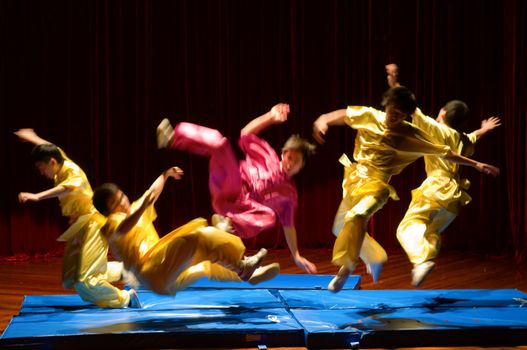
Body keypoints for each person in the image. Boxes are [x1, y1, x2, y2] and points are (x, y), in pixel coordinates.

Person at [312, 86, 500, 292]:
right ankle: (375, 257)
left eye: (400, 116)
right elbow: (346, 114)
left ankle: (345, 271)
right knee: (340, 228)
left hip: (377, 187)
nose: (394, 118)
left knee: (359, 215)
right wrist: (324, 119)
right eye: (393, 112)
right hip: (352, 180)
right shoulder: (369, 115)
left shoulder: (411, 133)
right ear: (386, 105)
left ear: (406, 116)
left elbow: (446, 152)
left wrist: (476, 165)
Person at [156, 103, 318, 274]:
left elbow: (288, 226)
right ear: (283, 153)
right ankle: (173, 137)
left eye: (296, 161)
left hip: (241, 212)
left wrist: (297, 256)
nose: (291, 163)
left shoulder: (289, 194)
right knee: (220, 143)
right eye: (290, 157)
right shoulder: (267, 154)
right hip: (230, 186)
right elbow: (246, 134)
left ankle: (227, 225)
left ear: (302, 166)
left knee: (269, 216)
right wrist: (269, 117)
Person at [385, 64, 502, 286]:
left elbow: (409, 106)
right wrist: (484, 130)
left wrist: (394, 81)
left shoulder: (434, 128)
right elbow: (472, 137)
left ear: (443, 113)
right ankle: (425, 258)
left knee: (407, 227)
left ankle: (421, 261)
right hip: (453, 199)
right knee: (430, 233)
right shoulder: (460, 138)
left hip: (436, 188)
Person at [92, 166, 280, 295]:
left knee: (207, 261)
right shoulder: (110, 225)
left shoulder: (134, 208)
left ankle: (248, 274)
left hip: (168, 272)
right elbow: (124, 229)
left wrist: (166, 174)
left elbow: (152, 192)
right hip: (151, 272)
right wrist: (141, 209)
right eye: (116, 203)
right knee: (199, 237)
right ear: (108, 211)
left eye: (122, 196)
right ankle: (240, 264)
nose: (123, 202)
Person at [15, 129, 138, 308]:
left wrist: (37, 196)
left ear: (51, 162)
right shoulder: (60, 160)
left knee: (85, 282)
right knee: (71, 276)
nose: (42, 173)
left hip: (93, 224)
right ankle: (125, 270)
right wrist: (32, 138)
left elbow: (66, 188)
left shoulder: (73, 173)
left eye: (42, 169)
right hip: (81, 225)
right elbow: (52, 148)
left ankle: (126, 299)